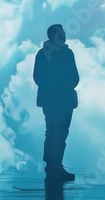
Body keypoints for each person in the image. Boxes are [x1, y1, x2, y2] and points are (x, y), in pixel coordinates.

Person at [32, 24, 79, 182]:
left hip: (51, 99)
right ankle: (55, 166)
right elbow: (75, 78)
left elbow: (38, 77)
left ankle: (53, 165)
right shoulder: (66, 54)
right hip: (62, 99)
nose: (64, 36)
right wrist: (62, 87)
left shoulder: (43, 54)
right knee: (58, 133)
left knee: (53, 131)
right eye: (61, 33)